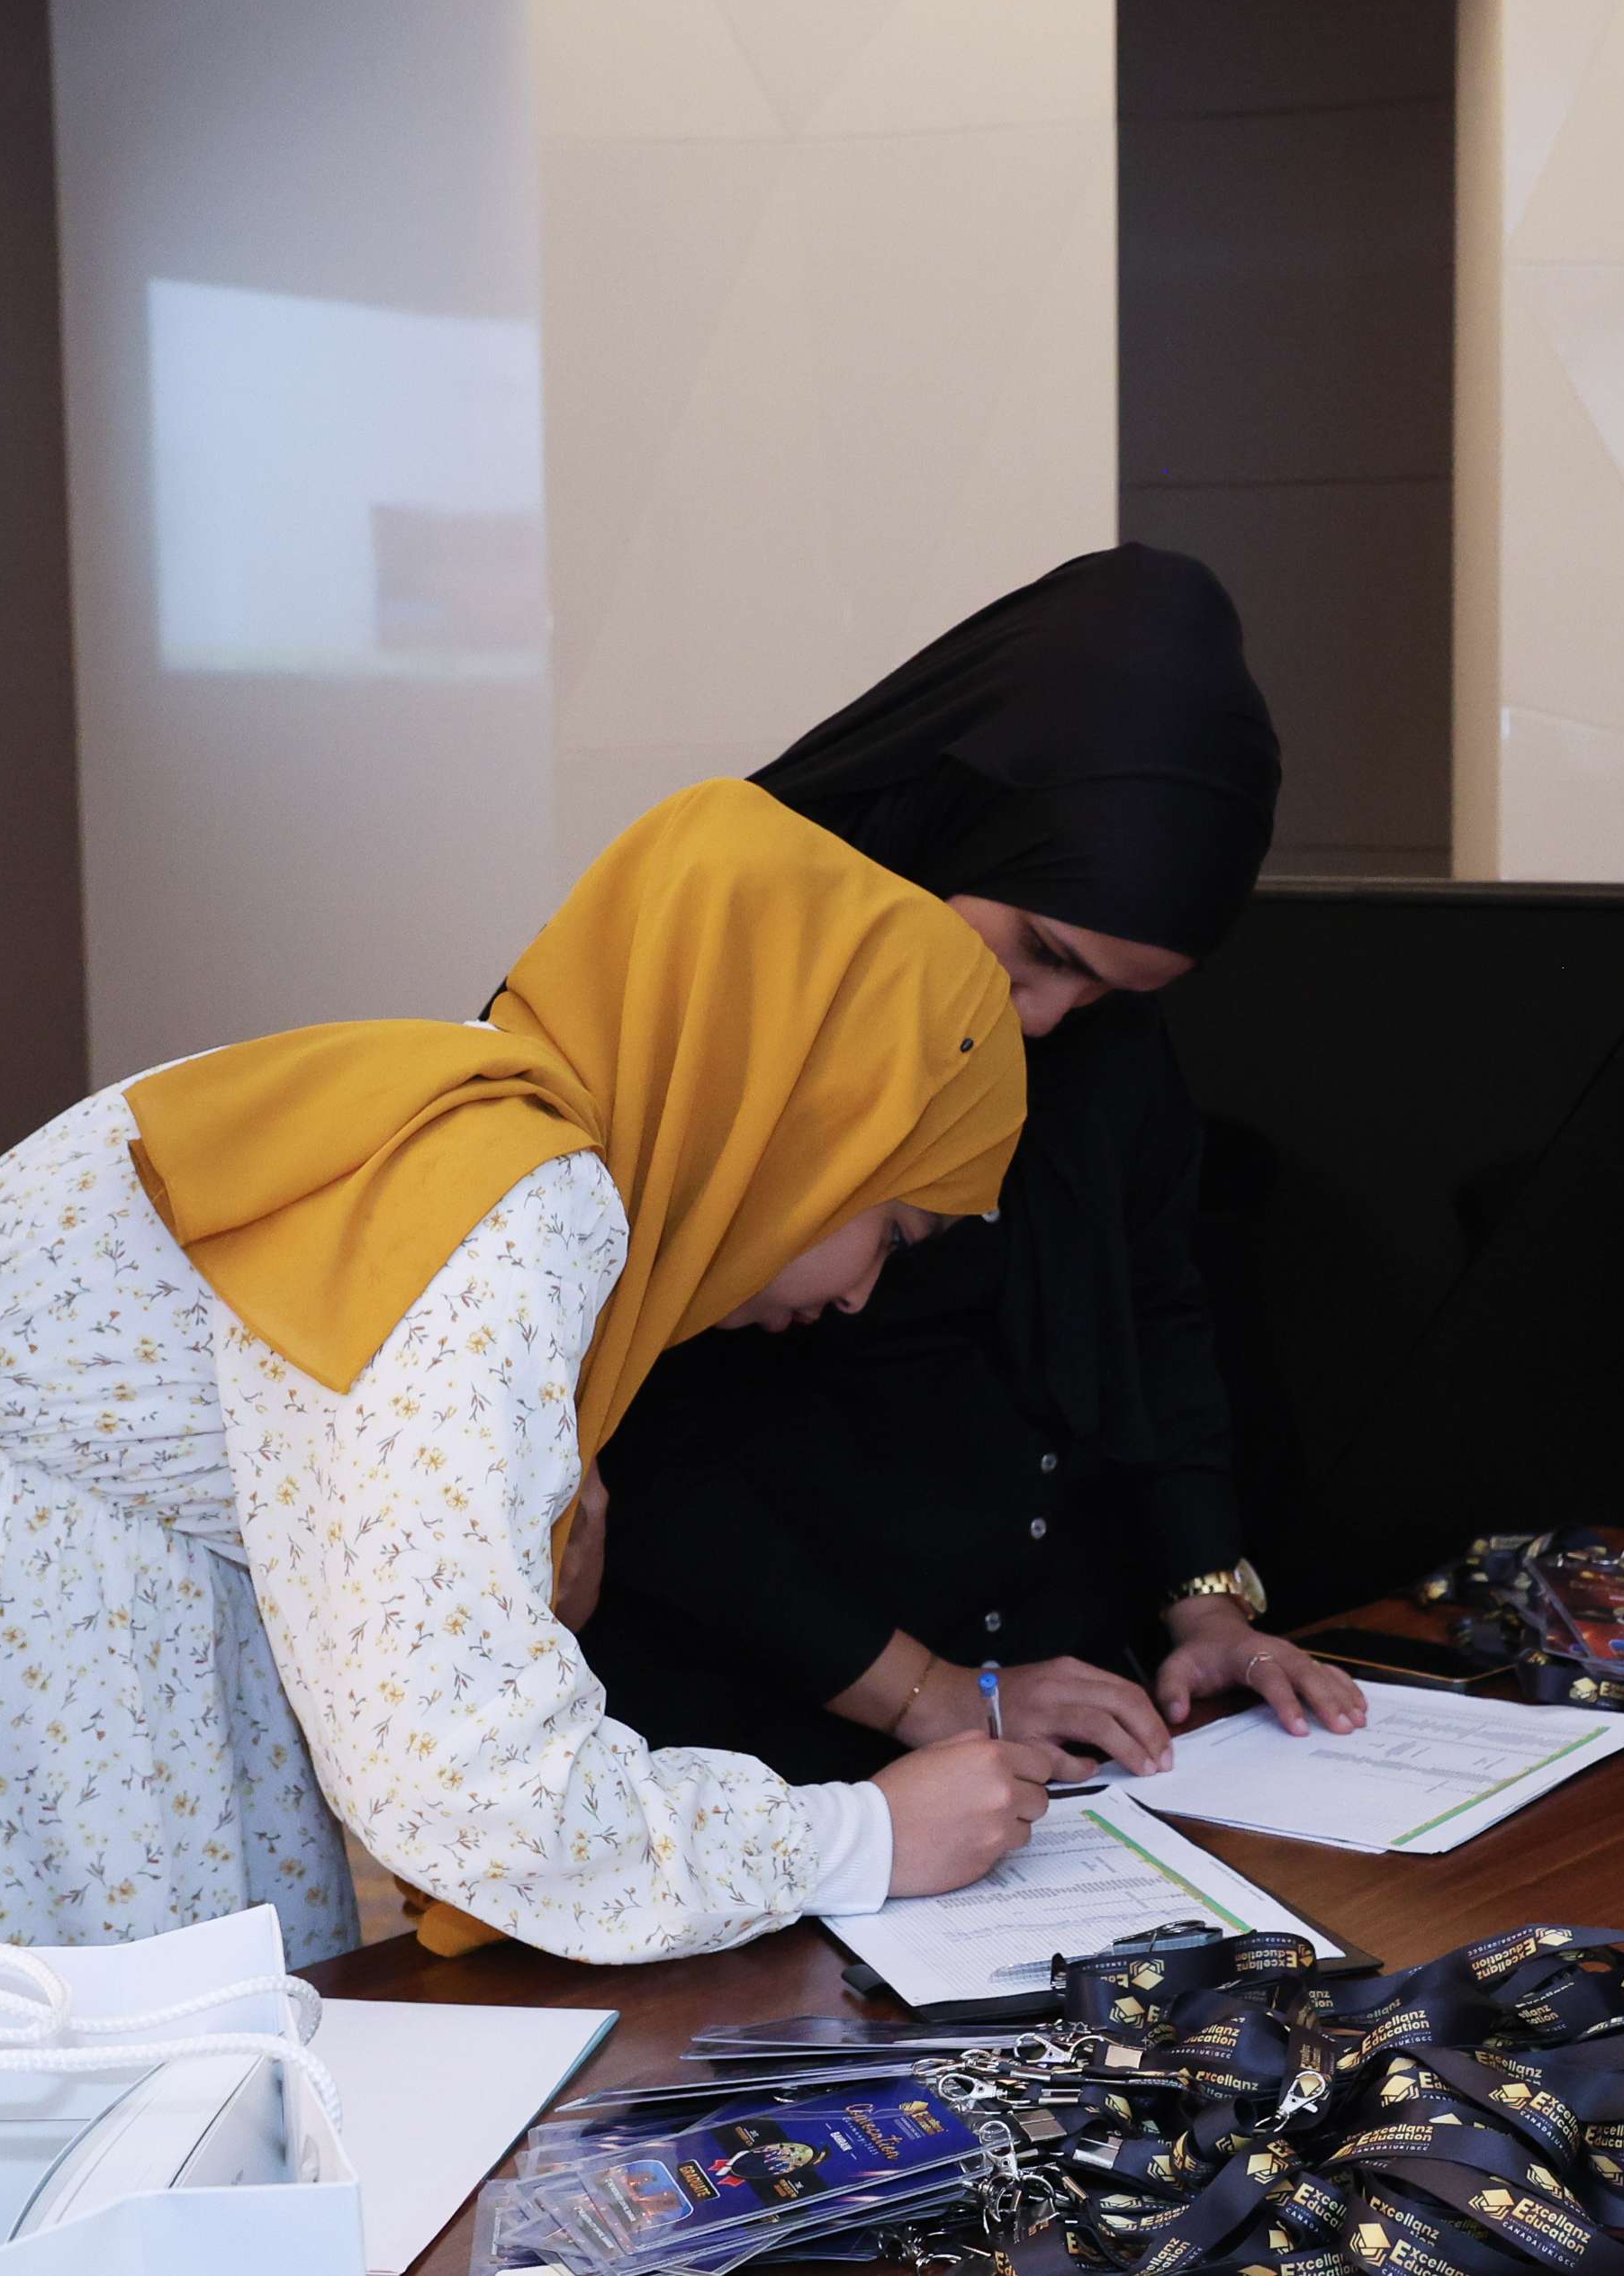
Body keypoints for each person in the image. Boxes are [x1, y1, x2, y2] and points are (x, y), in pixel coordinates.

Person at [0, 781, 1069, 1964]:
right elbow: (465, 1772)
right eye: (894, 1229)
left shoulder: (474, 1122)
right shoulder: (516, 1195)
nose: (861, 1294)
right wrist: (858, 1835)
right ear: (795, 1124)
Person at [577, 547, 1366, 1798]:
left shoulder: (1096, 1038)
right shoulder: (717, 974)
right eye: (1040, 952)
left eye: (1105, 994)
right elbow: (622, 1433)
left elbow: (1153, 1307)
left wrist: (1205, 1599)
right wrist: (926, 1689)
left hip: (1046, 1730)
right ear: (964, 822)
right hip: (754, 1741)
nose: (1044, 1018)